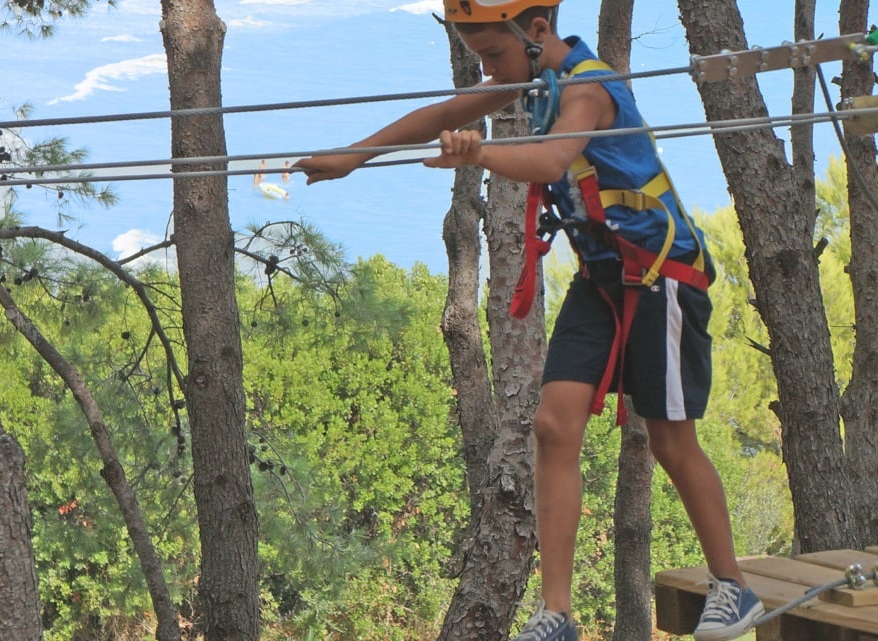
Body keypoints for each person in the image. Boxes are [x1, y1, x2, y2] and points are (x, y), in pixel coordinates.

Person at [294, 2, 765, 640]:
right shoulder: (535, 78)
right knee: (552, 424)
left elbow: (549, 161)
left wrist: (479, 154)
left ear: (537, 33)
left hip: (660, 275)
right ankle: (558, 614)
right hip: (604, 279)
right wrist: (355, 157)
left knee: (670, 440)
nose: (489, 73)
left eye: (492, 55)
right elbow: (442, 114)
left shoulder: (590, 89)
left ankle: (733, 587)